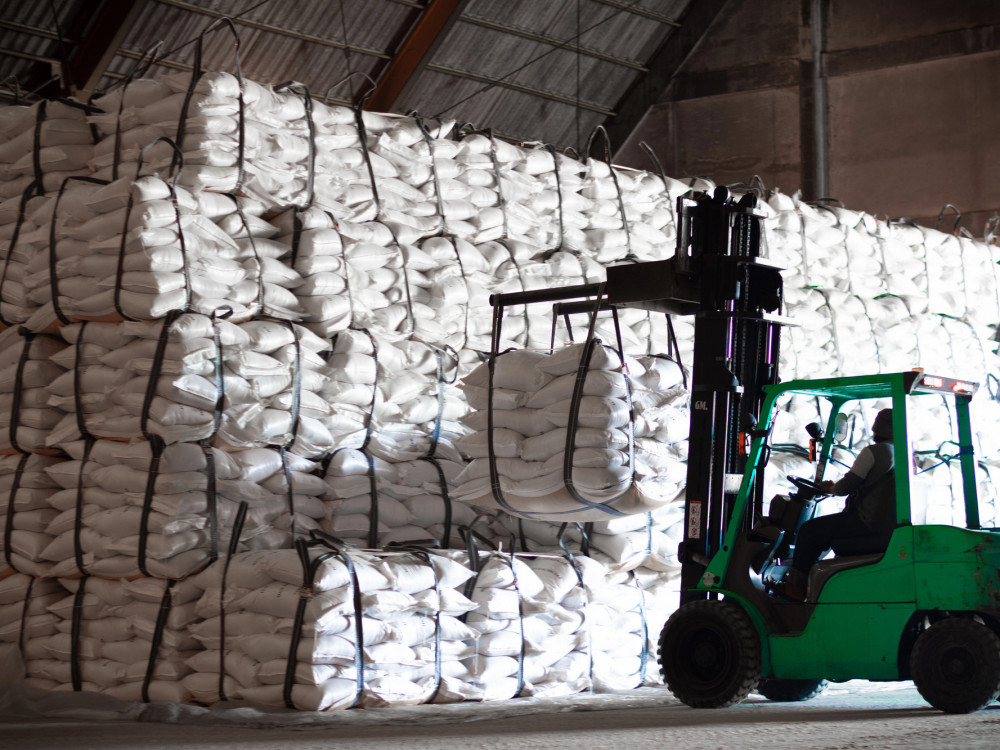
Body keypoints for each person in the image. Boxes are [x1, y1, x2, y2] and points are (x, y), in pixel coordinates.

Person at [782, 408, 896, 602]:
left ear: (878, 428)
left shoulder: (873, 452)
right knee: (824, 531)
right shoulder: (903, 453)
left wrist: (830, 488)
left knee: (809, 530)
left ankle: (796, 587)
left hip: (864, 522)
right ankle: (812, 581)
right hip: (884, 525)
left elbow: (846, 486)